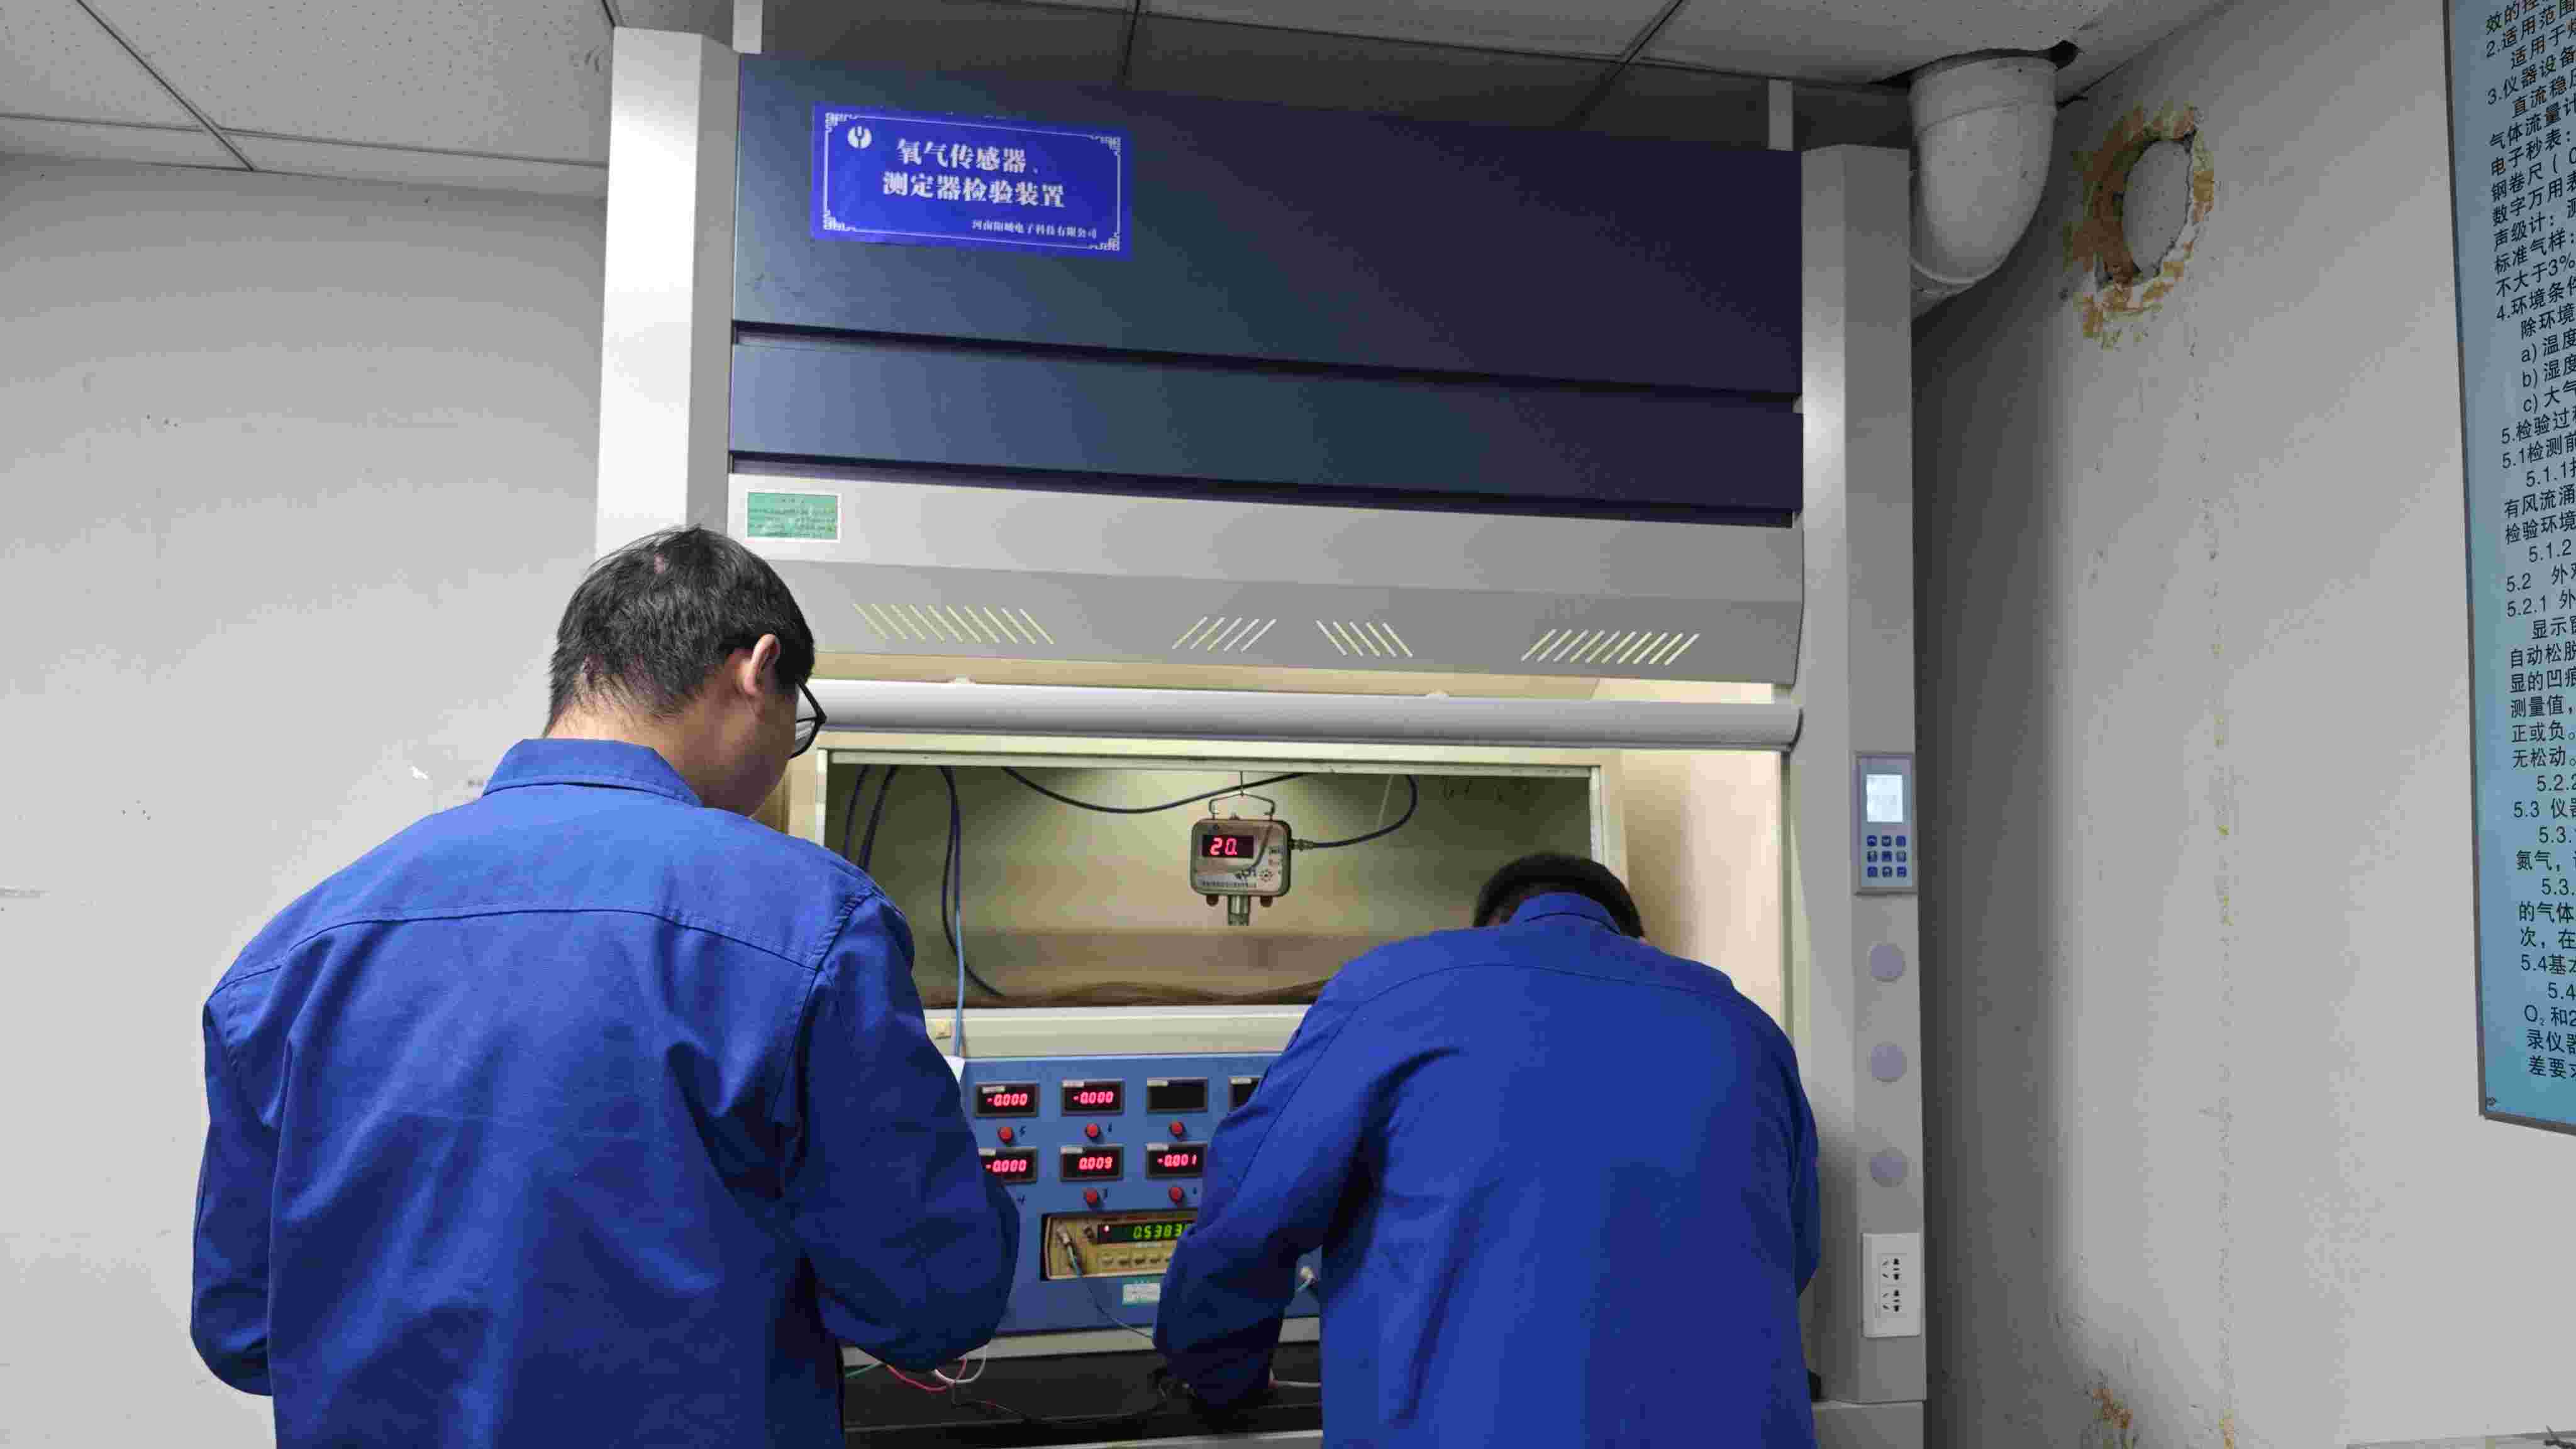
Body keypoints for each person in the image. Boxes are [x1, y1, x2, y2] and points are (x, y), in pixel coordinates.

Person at [190, 526, 1017, 1448]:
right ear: (757, 671)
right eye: (799, 720)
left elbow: (244, 1330)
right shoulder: (811, 923)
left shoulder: (296, 951)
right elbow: (927, 1304)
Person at [1153, 853, 1821, 1446]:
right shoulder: (1746, 1027)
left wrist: (1221, 1374)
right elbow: (1792, 1250)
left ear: (1489, 929)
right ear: (1637, 941)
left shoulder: (1394, 989)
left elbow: (1250, 1211)